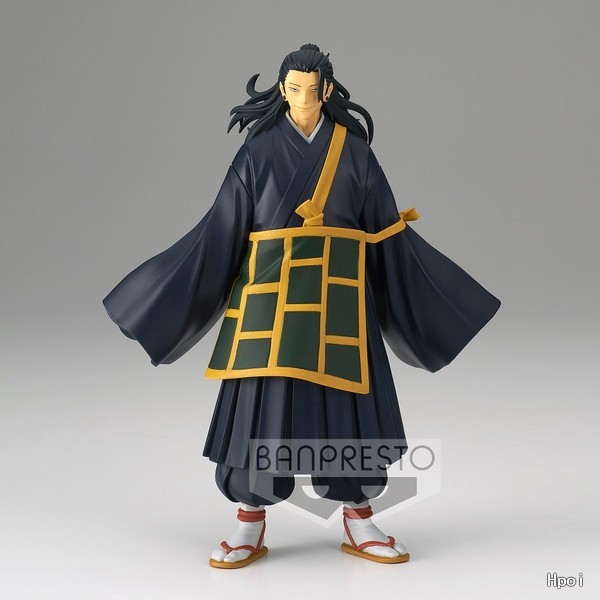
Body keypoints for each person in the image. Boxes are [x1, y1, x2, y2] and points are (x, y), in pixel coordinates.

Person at [103, 43, 501, 568]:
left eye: (313, 90)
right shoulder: (257, 152)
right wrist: (161, 298)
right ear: (282, 89)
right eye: (294, 89)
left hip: (339, 293)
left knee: (348, 405)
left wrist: (432, 294)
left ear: (328, 90)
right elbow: (221, 230)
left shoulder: (354, 152)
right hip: (270, 297)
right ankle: (249, 520)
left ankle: (359, 516)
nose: (304, 99)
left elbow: (384, 230)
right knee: (260, 407)